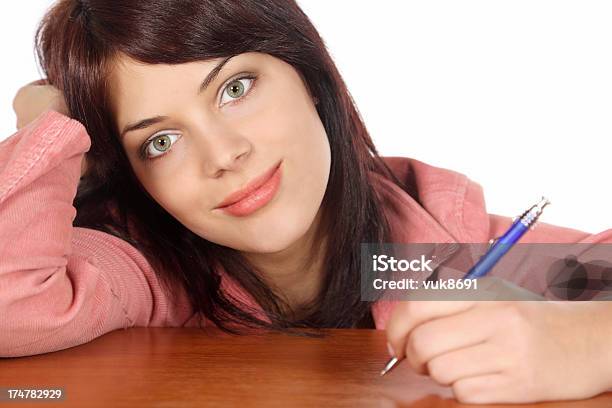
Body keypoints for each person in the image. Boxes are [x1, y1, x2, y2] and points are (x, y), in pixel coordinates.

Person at [2, 0, 612, 404]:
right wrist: (46, 126)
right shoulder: (146, 270)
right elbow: (14, 304)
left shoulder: (421, 247)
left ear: (308, 75)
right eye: (160, 141)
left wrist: (586, 342)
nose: (223, 155)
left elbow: (601, 275)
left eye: (235, 88)